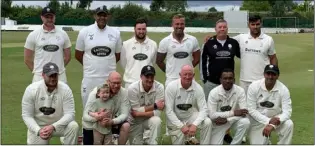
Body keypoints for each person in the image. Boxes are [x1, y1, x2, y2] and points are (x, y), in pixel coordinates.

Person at [75, 7, 122, 108]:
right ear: (95, 16)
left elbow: (117, 55)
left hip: (108, 79)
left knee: (108, 109)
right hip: (90, 77)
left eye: (104, 15)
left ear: (108, 17)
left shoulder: (115, 33)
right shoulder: (85, 32)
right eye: (99, 15)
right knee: (88, 108)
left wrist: (106, 65)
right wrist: (90, 65)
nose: (102, 17)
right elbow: (78, 54)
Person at [21, 62, 79, 145]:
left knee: (73, 126)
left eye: (55, 75)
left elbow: (70, 114)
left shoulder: (65, 89)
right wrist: (38, 130)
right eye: (50, 75)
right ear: (43, 75)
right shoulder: (31, 90)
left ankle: (65, 140)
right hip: (39, 126)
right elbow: (26, 115)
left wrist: (53, 126)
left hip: (58, 125)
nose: (53, 78)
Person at [165, 65, 212, 144]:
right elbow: (168, 111)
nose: (187, 77)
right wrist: (181, 126)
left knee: (207, 122)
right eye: (185, 74)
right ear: (180, 75)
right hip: (176, 121)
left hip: (190, 117)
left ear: (193, 75)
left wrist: (194, 124)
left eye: (190, 74)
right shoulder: (171, 87)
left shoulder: (198, 88)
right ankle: (189, 140)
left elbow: (204, 109)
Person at [247, 64, 293, 144]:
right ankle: (266, 141)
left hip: (276, 120)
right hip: (258, 120)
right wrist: (268, 121)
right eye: (268, 74)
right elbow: (251, 110)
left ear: (277, 76)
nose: (270, 77)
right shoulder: (254, 86)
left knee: (289, 124)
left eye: (273, 74)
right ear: (264, 74)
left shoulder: (283, 89)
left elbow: (287, 112)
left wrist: (272, 124)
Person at [24, 7, 71, 83]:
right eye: (47, 17)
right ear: (42, 18)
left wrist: (57, 69)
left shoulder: (63, 34)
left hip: (59, 75)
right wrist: (38, 72)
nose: (49, 19)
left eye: (51, 17)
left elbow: (68, 56)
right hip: (40, 77)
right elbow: (27, 59)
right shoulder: (33, 34)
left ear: (55, 17)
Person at [82, 71, 130, 145]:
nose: (116, 86)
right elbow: (85, 115)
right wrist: (96, 118)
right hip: (93, 124)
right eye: (114, 83)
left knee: (126, 126)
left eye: (118, 83)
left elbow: (124, 114)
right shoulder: (95, 93)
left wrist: (112, 121)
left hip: (110, 122)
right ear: (107, 81)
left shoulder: (124, 92)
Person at [156, 14, 201, 87]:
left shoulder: (193, 40)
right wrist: (169, 71)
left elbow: (197, 58)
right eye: (177, 24)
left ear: (184, 25)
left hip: (188, 78)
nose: (179, 26)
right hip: (171, 79)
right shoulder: (165, 41)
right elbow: (159, 61)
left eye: (182, 24)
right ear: (172, 25)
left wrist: (188, 69)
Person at [207, 68, 250, 144]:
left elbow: (244, 112)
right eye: (225, 78)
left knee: (245, 122)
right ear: (220, 80)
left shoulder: (240, 91)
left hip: (231, 121)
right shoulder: (213, 93)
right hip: (218, 123)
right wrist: (233, 113)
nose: (227, 81)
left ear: (234, 80)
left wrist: (227, 119)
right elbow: (212, 115)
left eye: (230, 78)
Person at [202, 19, 240, 102]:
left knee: (228, 106)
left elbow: (241, 55)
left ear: (227, 29)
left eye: (224, 27)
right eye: (220, 27)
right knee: (209, 107)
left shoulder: (234, 43)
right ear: (215, 29)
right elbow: (203, 61)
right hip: (212, 82)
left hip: (228, 82)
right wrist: (205, 79)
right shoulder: (209, 43)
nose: (222, 29)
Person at [127, 65, 164, 144]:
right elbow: (134, 113)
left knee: (156, 121)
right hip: (135, 122)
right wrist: (154, 106)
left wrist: (139, 112)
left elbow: (159, 112)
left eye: (152, 77)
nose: (150, 80)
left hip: (149, 119)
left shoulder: (160, 87)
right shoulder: (132, 88)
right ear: (141, 77)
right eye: (147, 77)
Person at [120, 18, 158, 88]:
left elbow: (153, 63)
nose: (141, 31)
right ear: (134, 29)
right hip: (130, 83)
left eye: (143, 29)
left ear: (146, 30)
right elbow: (123, 64)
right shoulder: (126, 44)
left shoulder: (153, 44)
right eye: (139, 29)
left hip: (147, 82)